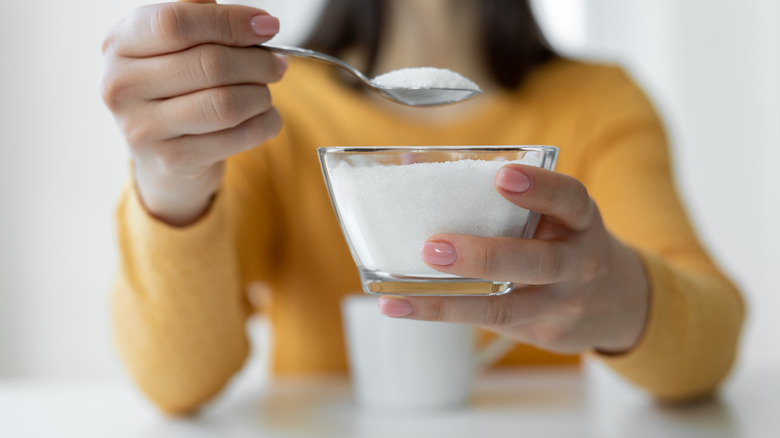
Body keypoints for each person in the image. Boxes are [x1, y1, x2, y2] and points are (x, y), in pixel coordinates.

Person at [100, 0, 744, 414]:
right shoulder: (267, 115)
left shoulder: (600, 104)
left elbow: (712, 345)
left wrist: (627, 301)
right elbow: (176, 384)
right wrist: (170, 181)